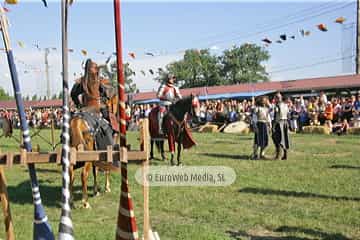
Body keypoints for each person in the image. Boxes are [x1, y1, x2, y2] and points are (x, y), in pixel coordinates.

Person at [272, 92, 290, 160]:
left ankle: (278, 156)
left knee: (277, 139)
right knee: (285, 139)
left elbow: (276, 116)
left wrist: (273, 126)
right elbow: (288, 115)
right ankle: (285, 155)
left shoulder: (277, 106)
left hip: (279, 123)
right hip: (285, 122)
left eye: (276, 98)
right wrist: (288, 124)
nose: (275, 99)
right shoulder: (285, 105)